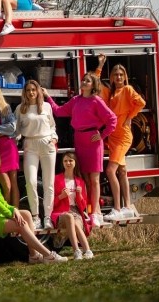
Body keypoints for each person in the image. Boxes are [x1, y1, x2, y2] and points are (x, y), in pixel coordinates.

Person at [45, 72, 117, 227]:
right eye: (83, 80)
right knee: (84, 180)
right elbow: (58, 111)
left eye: (87, 81)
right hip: (79, 139)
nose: (84, 82)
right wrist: (48, 97)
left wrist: (102, 135)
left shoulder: (96, 101)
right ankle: (88, 209)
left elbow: (112, 119)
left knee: (94, 179)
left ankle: (96, 213)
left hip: (93, 141)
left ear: (93, 85)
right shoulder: (76, 100)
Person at [0, 148, 68, 264]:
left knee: (27, 214)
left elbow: (0, 199)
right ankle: (48, 255)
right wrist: (11, 213)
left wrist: (14, 209)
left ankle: (33, 255)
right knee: (20, 224)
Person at [96, 54, 147, 220]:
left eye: (121, 75)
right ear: (111, 77)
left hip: (123, 137)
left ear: (125, 77)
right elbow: (95, 83)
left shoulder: (127, 89)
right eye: (115, 75)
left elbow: (141, 103)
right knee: (122, 171)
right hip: (113, 136)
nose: (118, 77)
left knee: (110, 171)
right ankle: (127, 207)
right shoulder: (110, 92)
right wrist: (100, 65)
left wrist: (129, 116)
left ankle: (117, 209)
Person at [14, 79, 58, 229]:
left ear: (38, 91)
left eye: (33, 89)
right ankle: (35, 216)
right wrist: (14, 139)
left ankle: (47, 217)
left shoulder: (46, 106)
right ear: (25, 93)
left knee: (48, 183)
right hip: (30, 144)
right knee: (31, 181)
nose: (31, 92)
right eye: (28, 90)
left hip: (47, 144)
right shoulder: (21, 108)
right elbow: (17, 129)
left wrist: (54, 138)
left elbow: (52, 125)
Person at [51, 153, 94, 260]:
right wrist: (61, 196)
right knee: (70, 218)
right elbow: (50, 203)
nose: (68, 163)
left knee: (75, 222)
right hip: (59, 211)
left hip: (75, 211)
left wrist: (79, 194)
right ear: (62, 163)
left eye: (70, 161)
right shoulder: (56, 179)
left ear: (75, 163)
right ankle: (77, 251)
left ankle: (87, 251)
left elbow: (83, 205)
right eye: (65, 161)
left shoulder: (80, 181)